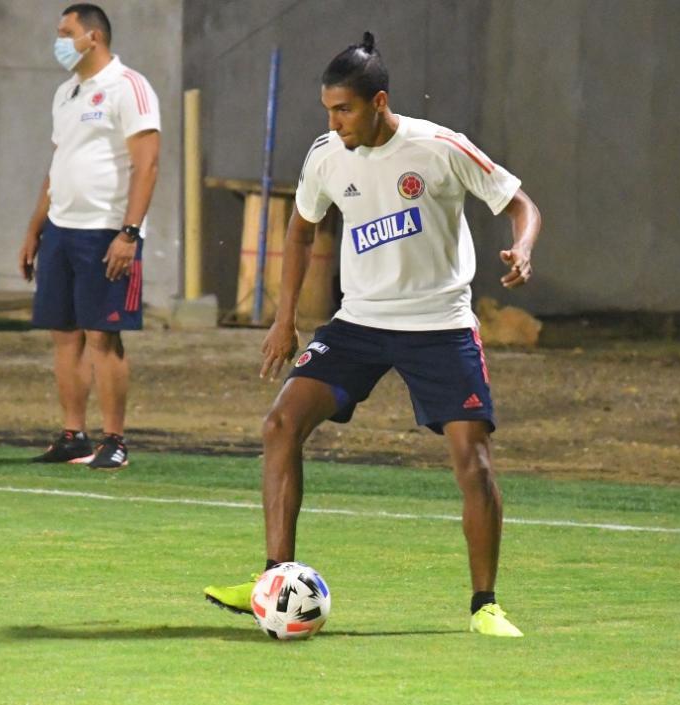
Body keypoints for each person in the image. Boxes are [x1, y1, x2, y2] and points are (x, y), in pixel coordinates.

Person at [204, 32, 541, 637]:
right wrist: (286, 320)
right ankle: (274, 580)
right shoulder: (326, 155)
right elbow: (302, 230)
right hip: (360, 322)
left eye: (344, 109)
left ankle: (485, 605)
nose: (333, 123)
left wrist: (522, 247)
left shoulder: (440, 147)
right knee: (280, 422)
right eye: (327, 110)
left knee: (474, 460)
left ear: (378, 102)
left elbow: (522, 205)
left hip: (440, 325)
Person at [19, 3, 161, 470]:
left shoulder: (129, 87)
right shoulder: (66, 92)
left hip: (105, 232)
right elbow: (56, 167)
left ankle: (115, 440)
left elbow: (147, 165)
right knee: (65, 335)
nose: (59, 40)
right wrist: (35, 230)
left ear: (93, 37)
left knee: (103, 337)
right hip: (62, 230)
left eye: (66, 32)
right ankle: (73, 435)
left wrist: (129, 233)